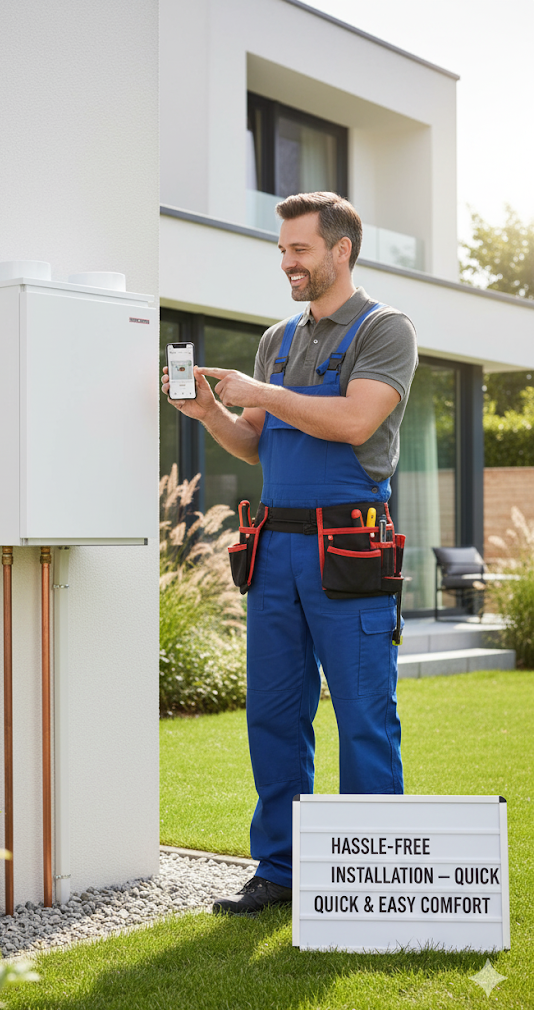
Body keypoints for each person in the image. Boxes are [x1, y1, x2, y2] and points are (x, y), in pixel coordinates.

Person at [162, 192, 418, 915]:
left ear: (340, 250)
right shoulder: (276, 338)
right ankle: (279, 869)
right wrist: (211, 411)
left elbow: (356, 418)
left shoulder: (384, 329)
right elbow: (254, 441)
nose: (287, 263)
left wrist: (265, 394)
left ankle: (368, 880)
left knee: (364, 714)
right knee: (274, 714)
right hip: (273, 548)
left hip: (348, 548)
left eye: (298, 249)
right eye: (281, 251)